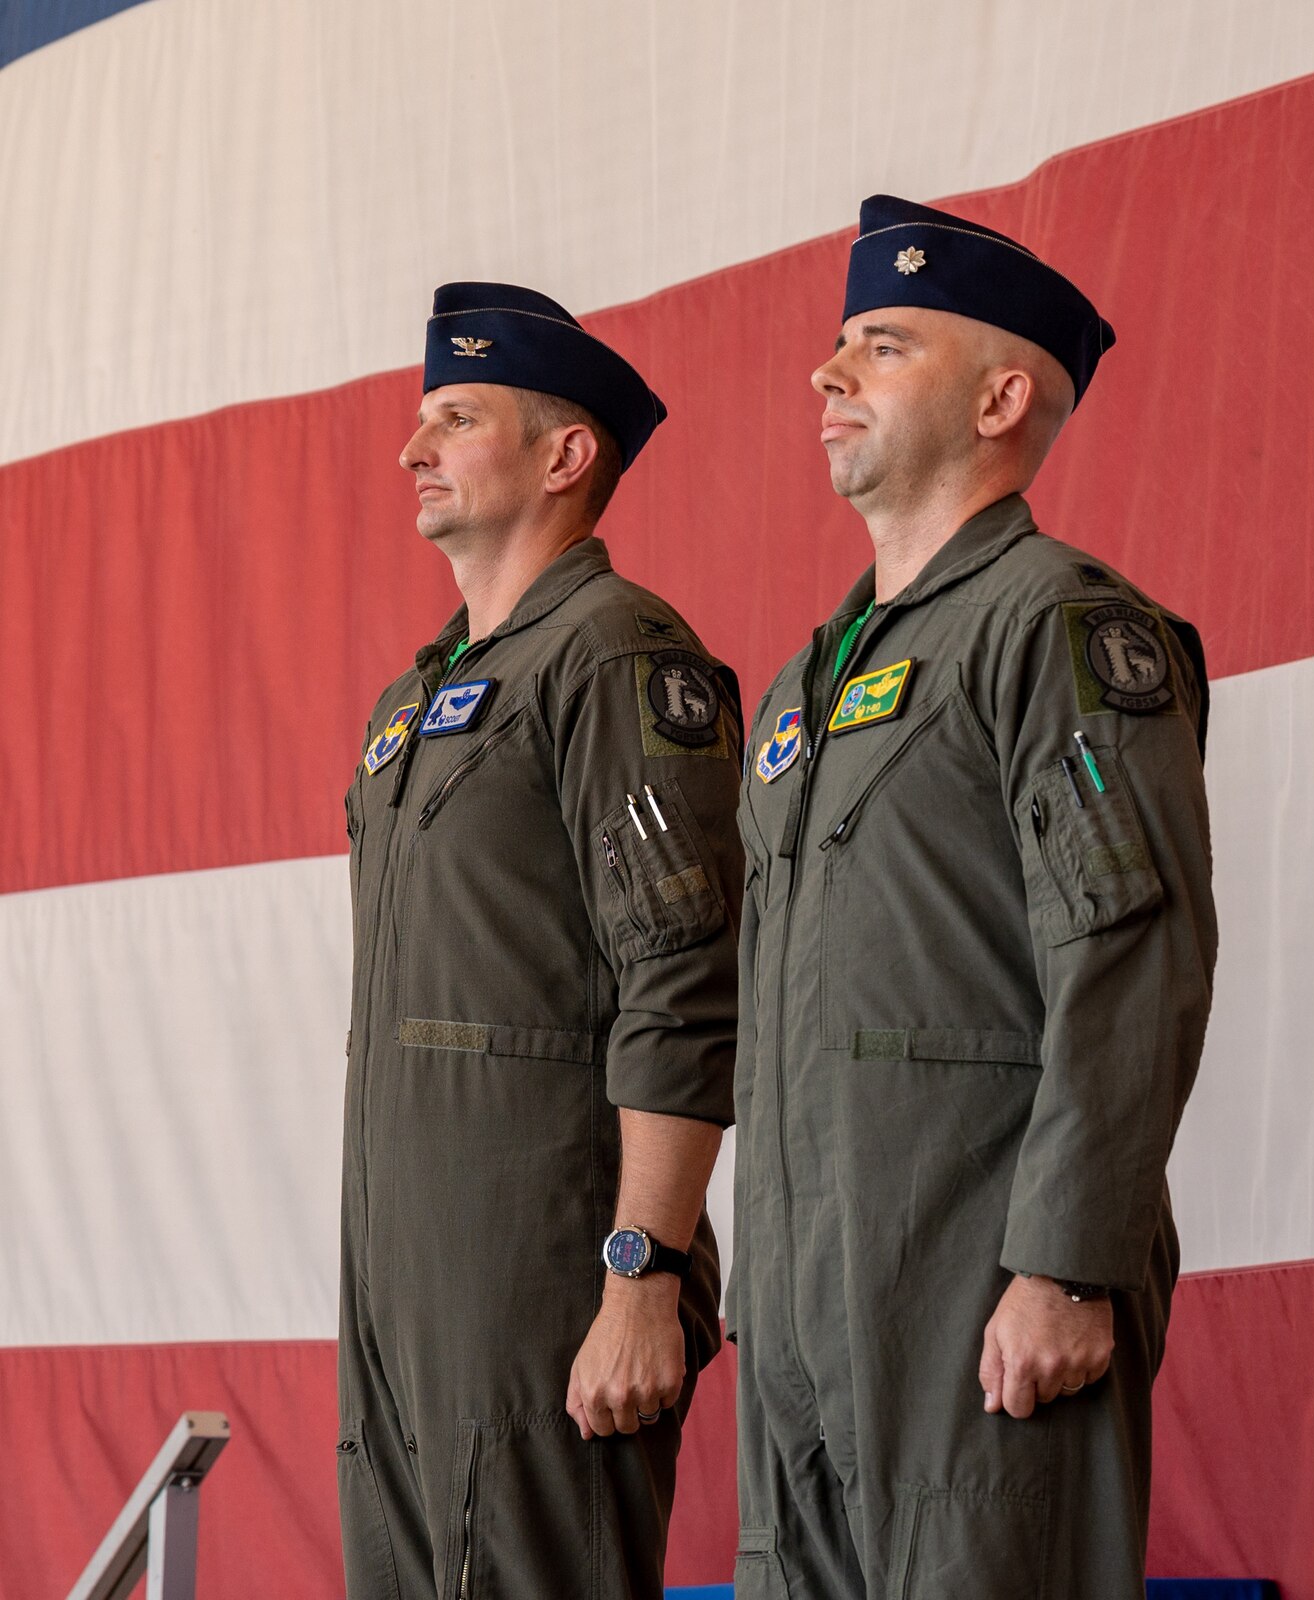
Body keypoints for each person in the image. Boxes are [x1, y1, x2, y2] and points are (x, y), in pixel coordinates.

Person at [730, 196, 1218, 1599]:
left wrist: (1067, 1264)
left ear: (1003, 396)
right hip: (803, 1315)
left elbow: (1131, 954)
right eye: (835, 348)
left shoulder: (1060, 627)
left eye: (881, 346)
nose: (828, 376)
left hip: (974, 1293)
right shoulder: (805, 685)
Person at [338, 282, 741, 1599]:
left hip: (545, 1260)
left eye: (455, 418)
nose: (413, 450)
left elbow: (687, 978)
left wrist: (641, 1277)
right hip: (405, 1263)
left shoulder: (616, 656)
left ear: (565, 456)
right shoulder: (423, 698)